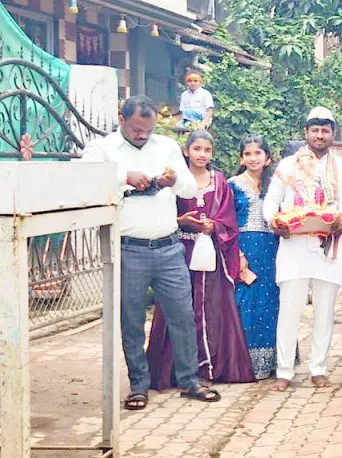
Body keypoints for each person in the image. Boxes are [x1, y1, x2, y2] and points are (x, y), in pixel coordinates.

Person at [82, 96, 219, 409]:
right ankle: (138, 387)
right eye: (136, 129)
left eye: (148, 129)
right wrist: (124, 177)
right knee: (131, 319)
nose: (143, 134)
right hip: (130, 248)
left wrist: (172, 182)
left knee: (183, 316)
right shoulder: (103, 148)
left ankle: (188, 381)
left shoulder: (167, 146)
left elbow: (188, 188)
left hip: (169, 246)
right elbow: (84, 176)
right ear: (122, 118)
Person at [147, 130, 255, 389]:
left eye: (207, 150)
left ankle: (213, 367)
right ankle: (175, 371)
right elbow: (157, 214)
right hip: (180, 252)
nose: (202, 155)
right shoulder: (174, 180)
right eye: (197, 149)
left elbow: (229, 219)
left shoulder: (219, 181)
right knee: (180, 308)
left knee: (214, 308)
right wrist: (181, 223)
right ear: (186, 151)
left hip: (211, 255)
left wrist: (214, 227)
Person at [263, 107, 342, 391]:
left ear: (333, 134)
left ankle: (318, 367)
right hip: (294, 245)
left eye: (325, 130)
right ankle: (284, 371)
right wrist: (275, 222)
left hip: (329, 246)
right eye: (315, 130)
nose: (320, 135)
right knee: (289, 309)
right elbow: (271, 203)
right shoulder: (287, 166)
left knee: (325, 310)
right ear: (305, 132)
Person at [228, 134, 281, 380]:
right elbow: (228, 223)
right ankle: (244, 363)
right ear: (241, 158)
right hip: (245, 249)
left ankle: (272, 362)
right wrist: (237, 254)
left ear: (268, 158)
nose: (252, 158)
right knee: (245, 301)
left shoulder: (276, 184)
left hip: (272, 249)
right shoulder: (233, 185)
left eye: (257, 153)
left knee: (271, 302)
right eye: (247, 154)